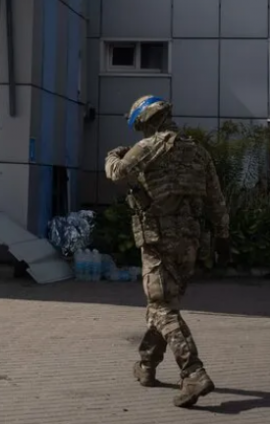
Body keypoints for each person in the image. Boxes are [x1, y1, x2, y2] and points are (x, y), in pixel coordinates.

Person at [104, 95, 230, 408]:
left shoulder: (150, 146)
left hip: (158, 238)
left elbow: (118, 173)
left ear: (145, 121)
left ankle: (193, 372)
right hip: (191, 242)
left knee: (161, 307)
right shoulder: (198, 152)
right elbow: (216, 200)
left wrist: (112, 155)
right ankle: (147, 367)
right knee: (164, 304)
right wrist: (223, 237)